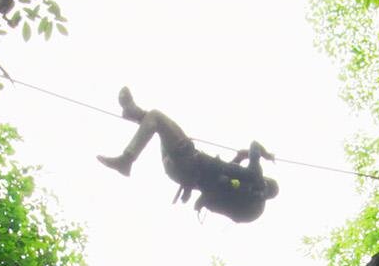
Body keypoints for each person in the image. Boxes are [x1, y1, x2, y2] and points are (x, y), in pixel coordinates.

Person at [97, 87, 279, 223]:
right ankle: (135, 114)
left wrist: (266, 154)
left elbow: (254, 145)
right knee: (160, 126)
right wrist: (238, 159)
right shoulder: (249, 207)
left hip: (190, 162)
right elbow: (217, 185)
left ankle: (126, 159)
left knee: (157, 117)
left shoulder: (255, 178)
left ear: (266, 182)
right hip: (178, 173)